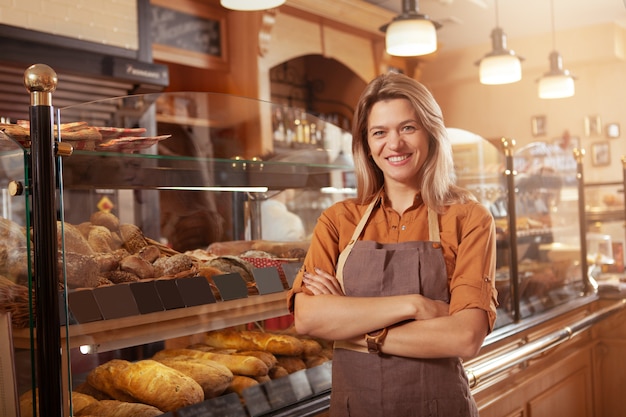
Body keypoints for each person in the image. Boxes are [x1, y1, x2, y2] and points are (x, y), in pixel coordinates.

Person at [287, 71, 498, 416]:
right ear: (367, 145)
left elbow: (464, 338)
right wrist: (415, 305)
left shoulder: (468, 218)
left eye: (408, 128)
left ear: (430, 133)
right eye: (380, 132)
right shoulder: (339, 220)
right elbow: (308, 318)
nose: (394, 144)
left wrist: (352, 327)